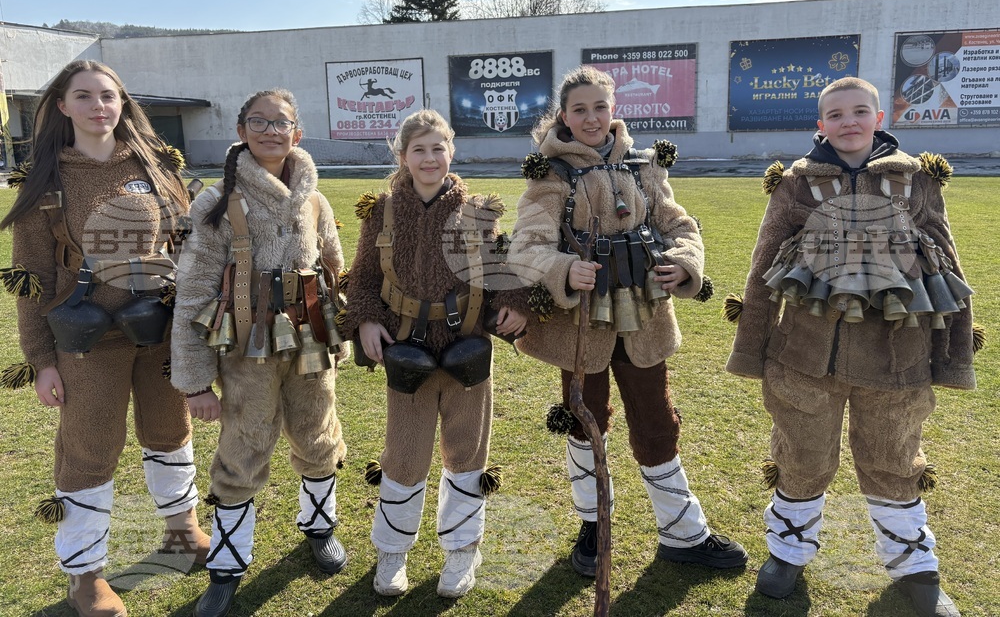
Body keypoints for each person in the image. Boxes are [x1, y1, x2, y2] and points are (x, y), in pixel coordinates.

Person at [727, 76, 975, 617]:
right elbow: (764, 266)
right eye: (835, 115)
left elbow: (950, 264)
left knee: (893, 456)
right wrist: (752, 349)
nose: (848, 123)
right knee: (802, 454)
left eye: (859, 111)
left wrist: (954, 356)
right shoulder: (796, 183)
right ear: (821, 125)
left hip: (898, 357)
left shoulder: (917, 180)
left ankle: (914, 562)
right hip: (805, 356)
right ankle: (789, 550)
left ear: (879, 118)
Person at [508, 66, 747, 579]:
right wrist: (563, 268)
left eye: (600, 107)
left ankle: (684, 533)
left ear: (613, 110)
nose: (591, 118)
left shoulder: (645, 167)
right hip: (579, 327)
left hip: (645, 322)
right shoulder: (549, 175)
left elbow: (680, 224)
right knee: (584, 420)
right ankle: (594, 526)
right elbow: (525, 247)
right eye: (579, 110)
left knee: (657, 422)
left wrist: (684, 262)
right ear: (564, 117)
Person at [0, 60, 208, 617]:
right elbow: (31, 280)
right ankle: (85, 575)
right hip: (87, 341)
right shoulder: (46, 182)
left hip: (159, 330)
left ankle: (183, 533)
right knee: (89, 452)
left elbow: (188, 250)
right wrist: (41, 359)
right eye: (84, 96)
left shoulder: (157, 167)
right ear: (62, 107)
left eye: (109, 95)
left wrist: (198, 333)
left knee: (170, 430)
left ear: (122, 103)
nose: (99, 106)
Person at [169, 89, 349, 617]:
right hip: (245, 349)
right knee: (243, 446)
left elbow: (335, 269)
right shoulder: (217, 201)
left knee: (318, 435)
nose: (270, 130)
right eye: (258, 121)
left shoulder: (315, 199)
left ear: (297, 132)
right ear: (243, 130)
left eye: (281, 122)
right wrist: (196, 381)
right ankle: (226, 565)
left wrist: (340, 332)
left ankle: (320, 527)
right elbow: (195, 289)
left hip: (310, 340)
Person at [342, 109, 529, 599]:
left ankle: (463, 550)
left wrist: (512, 303)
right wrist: (364, 318)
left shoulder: (478, 211)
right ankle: (392, 550)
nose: (429, 158)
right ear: (401, 156)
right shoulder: (380, 212)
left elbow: (501, 269)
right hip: (407, 353)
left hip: (467, 351)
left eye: (438, 147)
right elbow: (362, 277)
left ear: (452, 151)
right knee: (403, 456)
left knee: (467, 455)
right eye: (419, 149)